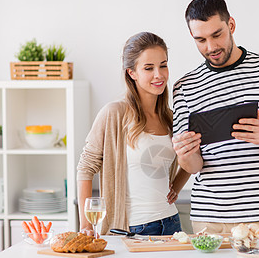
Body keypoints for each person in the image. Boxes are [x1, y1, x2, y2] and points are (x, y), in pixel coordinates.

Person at [172, 0, 259, 236]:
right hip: (210, 221)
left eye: (217, 35)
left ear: (231, 25)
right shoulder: (185, 86)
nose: (211, 47)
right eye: (200, 40)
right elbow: (194, 166)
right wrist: (185, 154)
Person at [77, 32, 190, 236]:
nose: (159, 74)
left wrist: (177, 184)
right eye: (148, 68)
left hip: (172, 223)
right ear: (132, 73)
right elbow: (85, 168)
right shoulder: (114, 114)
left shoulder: (171, 118)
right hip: (132, 229)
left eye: (163, 65)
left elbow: (191, 157)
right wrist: (85, 225)